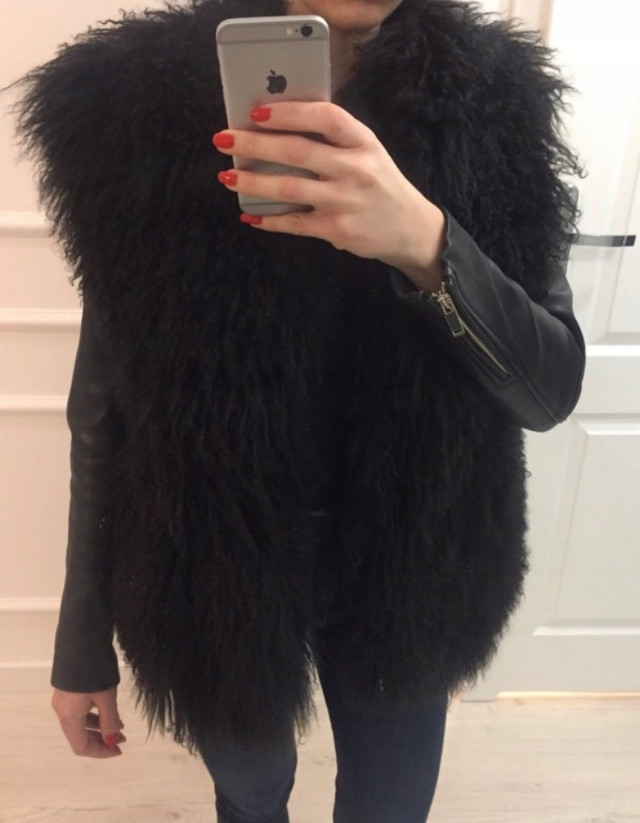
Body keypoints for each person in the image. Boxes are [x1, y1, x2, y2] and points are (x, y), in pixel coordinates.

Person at [17, 0, 586, 820]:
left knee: (390, 804)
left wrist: (426, 244)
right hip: (209, 564)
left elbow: (549, 386)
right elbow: (104, 404)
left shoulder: (496, 104)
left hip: (416, 558)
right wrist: (81, 640)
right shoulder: (130, 108)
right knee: (250, 794)